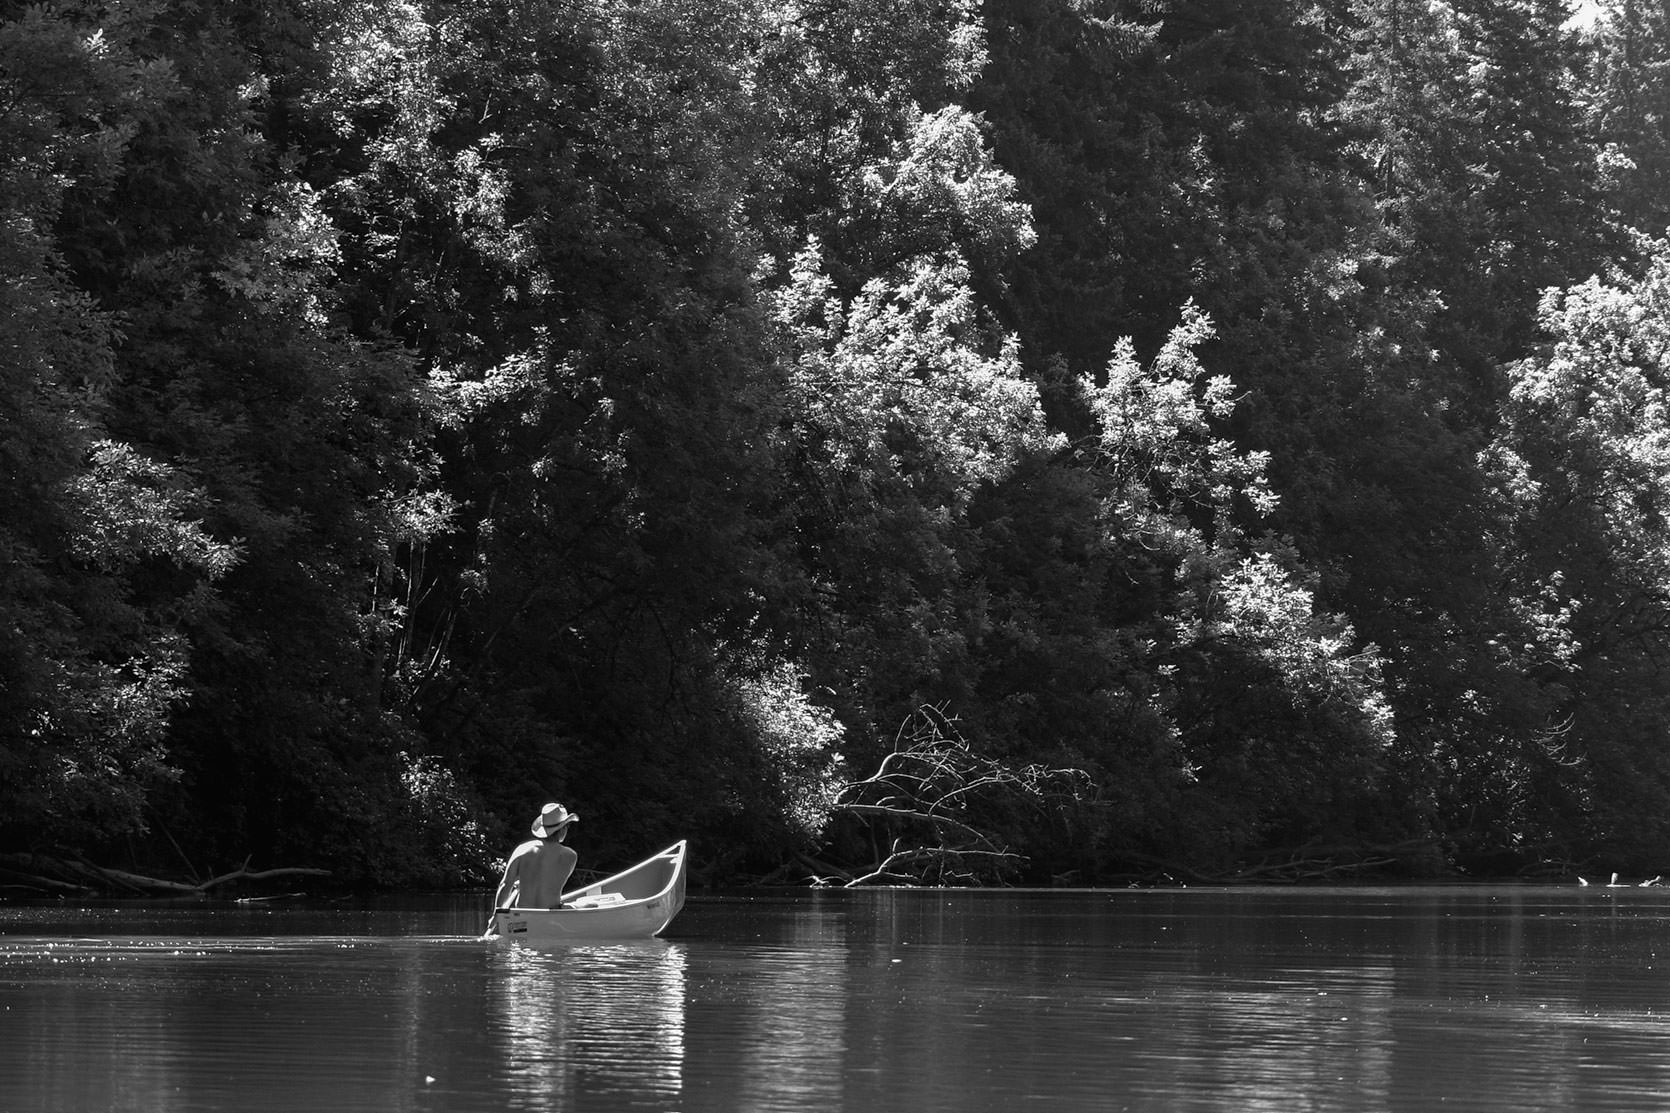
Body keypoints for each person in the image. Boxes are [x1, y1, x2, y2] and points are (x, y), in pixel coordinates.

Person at [493, 802, 580, 910]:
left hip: (523, 914)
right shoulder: (570, 855)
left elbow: (505, 885)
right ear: (562, 829)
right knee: (590, 904)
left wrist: (495, 917)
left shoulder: (522, 849)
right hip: (551, 914)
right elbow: (551, 881)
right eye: (567, 826)